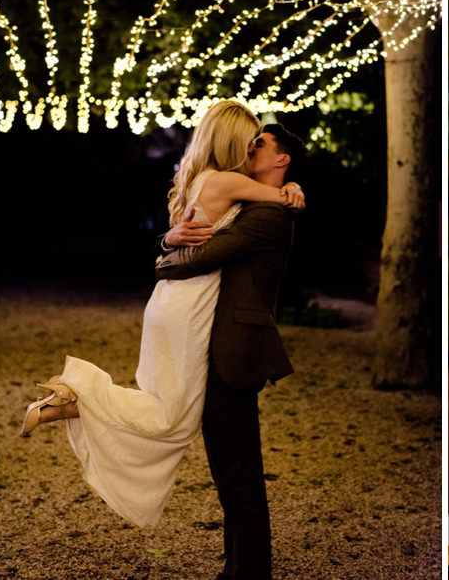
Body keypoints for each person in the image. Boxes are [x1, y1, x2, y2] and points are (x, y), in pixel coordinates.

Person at [18, 101, 305, 535]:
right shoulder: (231, 183)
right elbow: (274, 201)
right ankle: (77, 397)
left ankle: (75, 401)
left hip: (171, 304)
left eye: (257, 145)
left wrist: (169, 239)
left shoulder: (199, 180)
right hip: (188, 304)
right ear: (231, 142)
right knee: (173, 418)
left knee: (166, 408)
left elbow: (193, 234)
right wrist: (292, 190)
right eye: (248, 143)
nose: (250, 151)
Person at [156, 122, 305, 580]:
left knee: (238, 469)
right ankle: (237, 565)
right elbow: (192, 241)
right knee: (228, 468)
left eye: (260, 143)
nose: (249, 146)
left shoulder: (267, 217)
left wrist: (165, 256)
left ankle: (249, 571)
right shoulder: (247, 206)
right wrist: (167, 240)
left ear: (281, 160)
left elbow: (197, 258)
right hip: (216, 347)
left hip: (234, 350)